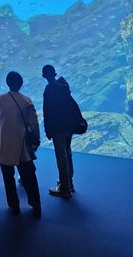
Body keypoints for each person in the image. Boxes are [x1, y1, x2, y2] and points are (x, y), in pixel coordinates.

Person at [0, 71, 41, 217]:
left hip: (4, 144)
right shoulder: (26, 100)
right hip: (22, 145)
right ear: (21, 84)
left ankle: (14, 205)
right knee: (29, 175)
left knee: (8, 177)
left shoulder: (0, 99)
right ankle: (35, 203)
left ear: (7, 83)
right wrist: (36, 139)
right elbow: (34, 123)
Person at [42, 64, 81, 197]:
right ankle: (69, 182)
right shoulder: (64, 85)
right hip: (68, 126)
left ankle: (64, 188)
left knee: (61, 156)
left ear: (44, 76)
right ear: (55, 73)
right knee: (67, 154)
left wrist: (47, 130)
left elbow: (47, 112)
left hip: (57, 128)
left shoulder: (49, 89)